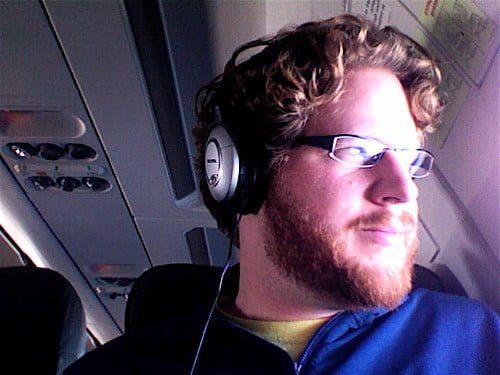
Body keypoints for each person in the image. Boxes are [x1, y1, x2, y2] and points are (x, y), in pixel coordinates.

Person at [66, 14, 499, 375]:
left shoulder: (476, 343)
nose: (403, 191)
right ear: (242, 172)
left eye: (410, 161)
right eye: (357, 150)